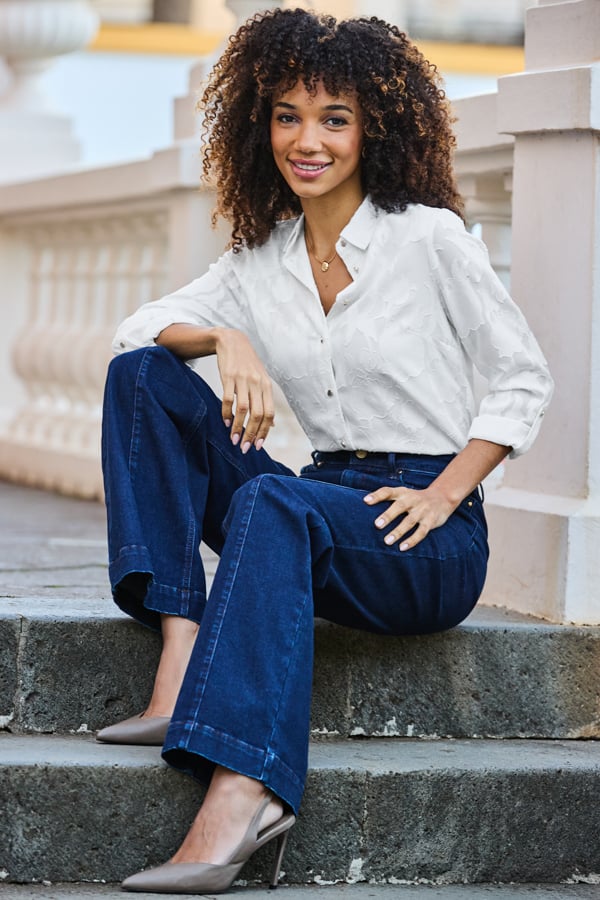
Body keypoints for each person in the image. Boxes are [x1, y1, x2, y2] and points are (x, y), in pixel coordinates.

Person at [97, 7, 553, 894]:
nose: (307, 141)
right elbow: (135, 329)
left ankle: (246, 791)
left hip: (425, 533)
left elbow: (522, 379)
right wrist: (229, 340)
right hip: (316, 506)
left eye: (334, 119)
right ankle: (181, 644)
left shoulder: (427, 238)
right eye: (287, 116)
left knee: (277, 501)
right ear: (258, 124)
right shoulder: (259, 259)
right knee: (145, 375)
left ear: (373, 129)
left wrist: (448, 493)